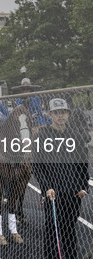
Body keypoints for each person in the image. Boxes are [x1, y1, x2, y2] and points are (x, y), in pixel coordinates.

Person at [33, 98, 89, 259]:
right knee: (52, 230)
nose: (60, 116)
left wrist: (83, 187)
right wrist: (46, 188)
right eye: (56, 113)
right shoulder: (42, 136)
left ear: (68, 114)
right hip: (53, 193)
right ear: (50, 114)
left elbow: (83, 164)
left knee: (70, 229)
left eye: (63, 112)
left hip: (73, 192)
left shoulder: (76, 136)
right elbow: (37, 166)